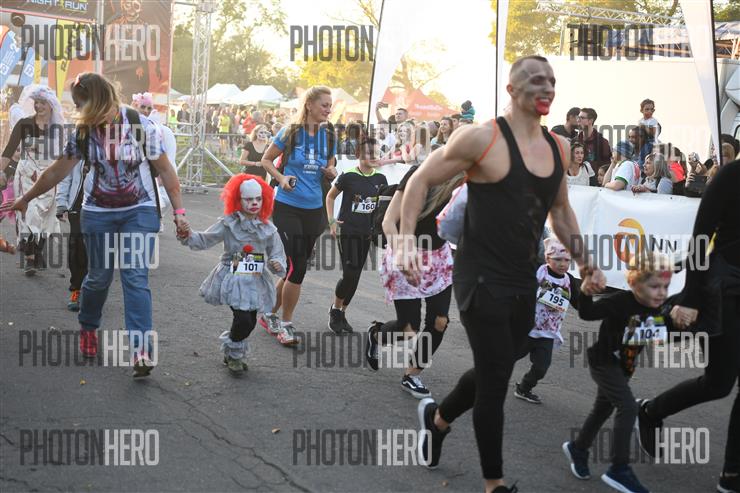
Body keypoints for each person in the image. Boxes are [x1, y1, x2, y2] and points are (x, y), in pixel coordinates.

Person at [397, 56, 605, 493]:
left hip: (524, 277)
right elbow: (420, 180)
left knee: (497, 366)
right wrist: (403, 240)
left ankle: (438, 420)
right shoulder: (481, 138)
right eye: (535, 80)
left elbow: (561, 210)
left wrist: (586, 262)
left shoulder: (558, 146)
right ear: (511, 89)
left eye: (551, 80)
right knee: (495, 383)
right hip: (479, 276)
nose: (546, 87)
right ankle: (495, 483)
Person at [0, 72, 188, 376]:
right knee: (99, 277)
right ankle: (88, 327)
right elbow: (56, 171)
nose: (79, 111)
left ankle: (141, 350)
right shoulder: (83, 132)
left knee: (135, 277)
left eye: (81, 104)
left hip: (138, 210)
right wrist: (25, 198)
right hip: (98, 212)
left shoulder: (139, 125)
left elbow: (165, 170)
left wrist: (179, 212)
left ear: (98, 101)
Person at [635, 159, 740, 493]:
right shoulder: (731, 175)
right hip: (726, 291)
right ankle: (650, 412)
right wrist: (692, 298)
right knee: (719, 383)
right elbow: (700, 238)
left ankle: (732, 474)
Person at [564, 251, 674, 493]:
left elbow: (661, 334)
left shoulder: (658, 306)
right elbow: (586, 314)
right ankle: (619, 469)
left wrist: (679, 319)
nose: (661, 293)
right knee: (628, 407)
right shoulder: (620, 301)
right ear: (635, 283)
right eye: (655, 286)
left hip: (625, 367)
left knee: (602, 409)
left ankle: (578, 448)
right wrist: (585, 291)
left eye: (665, 287)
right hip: (604, 362)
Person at [365, 163, 462, 398]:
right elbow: (388, 221)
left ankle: (412, 375)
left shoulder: (472, 182)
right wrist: (401, 253)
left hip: (438, 259)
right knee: (409, 329)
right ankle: (377, 335)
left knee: (439, 321)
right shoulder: (420, 173)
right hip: (405, 252)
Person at [178, 174, 286, 374]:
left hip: (255, 280)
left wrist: (277, 263)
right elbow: (206, 239)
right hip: (232, 278)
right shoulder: (228, 224)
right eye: (249, 199)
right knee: (243, 319)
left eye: (258, 199)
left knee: (250, 322)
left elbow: (277, 253)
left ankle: (233, 350)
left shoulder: (268, 228)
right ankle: (234, 354)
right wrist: (187, 234)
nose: (254, 203)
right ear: (238, 200)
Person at [258, 85, 338, 346]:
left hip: (314, 209)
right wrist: (281, 178)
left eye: (330, 105)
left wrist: (331, 171)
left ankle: (268, 313)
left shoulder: (329, 135)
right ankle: (286, 325)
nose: (328, 109)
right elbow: (266, 160)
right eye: (324, 105)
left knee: (294, 267)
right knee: (298, 266)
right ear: (310, 105)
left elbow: (330, 164)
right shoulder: (291, 132)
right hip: (287, 206)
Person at [325, 137, 387, 334]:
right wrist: (331, 221)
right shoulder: (348, 176)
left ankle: (343, 312)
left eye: (376, 153)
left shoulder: (380, 179)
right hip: (348, 231)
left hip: (366, 234)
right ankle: (335, 310)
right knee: (350, 273)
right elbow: (330, 197)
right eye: (369, 153)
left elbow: (380, 208)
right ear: (359, 154)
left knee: (356, 276)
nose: (373, 157)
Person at [0, 85, 63, 275]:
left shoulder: (58, 128)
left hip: (49, 176)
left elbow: (63, 157)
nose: (39, 106)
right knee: (27, 213)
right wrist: (0, 171)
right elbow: (9, 151)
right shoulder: (24, 124)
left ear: (51, 105)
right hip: (26, 176)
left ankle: (37, 251)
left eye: (43, 102)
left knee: (44, 215)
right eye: (36, 102)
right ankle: (30, 258)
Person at [513, 238, 580, 404]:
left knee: (541, 368)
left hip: (548, 333)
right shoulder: (538, 272)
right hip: (526, 329)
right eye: (557, 259)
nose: (562, 264)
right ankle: (484, 380)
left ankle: (524, 388)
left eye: (567, 260)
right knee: (504, 360)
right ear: (548, 258)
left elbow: (580, 304)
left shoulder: (569, 281)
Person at [56, 158, 87, 311]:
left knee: (97, 250)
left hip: (103, 207)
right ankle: (77, 289)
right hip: (78, 205)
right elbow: (65, 174)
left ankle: (93, 290)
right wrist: (61, 202)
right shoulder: (78, 144)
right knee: (77, 248)